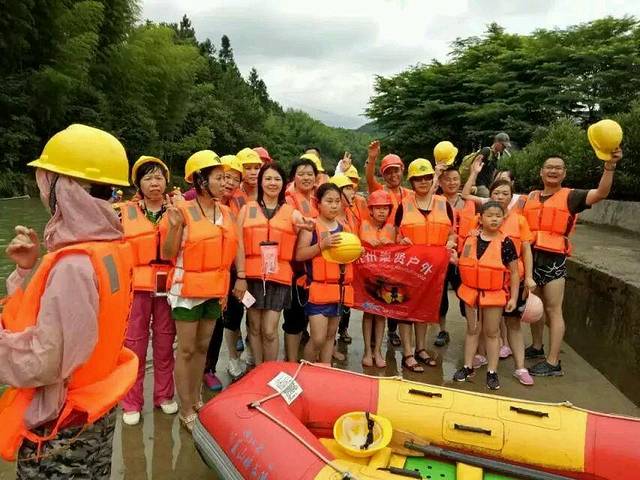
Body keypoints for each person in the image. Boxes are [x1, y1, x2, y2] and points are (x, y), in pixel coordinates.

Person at [0, 124, 135, 478]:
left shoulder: (73, 266)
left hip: (62, 427)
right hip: (96, 412)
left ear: (66, 189)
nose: (42, 189)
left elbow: (46, 361)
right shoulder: (111, 248)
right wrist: (26, 273)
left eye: (47, 181)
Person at [161, 150, 247, 431]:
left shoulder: (227, 212)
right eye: (219, 178)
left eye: (226, 178)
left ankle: (196, 398)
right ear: (200, 180)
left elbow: (235, 248)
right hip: (187, 291)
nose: (225, 183)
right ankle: (185, 407)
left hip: (215, 290)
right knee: (186, 350)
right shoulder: (182, 211)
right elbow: (168, 253)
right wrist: (174, 226)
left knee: (202, 347)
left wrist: (241, 277)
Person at [524, 150, 622, 376]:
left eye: (558, 168)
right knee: (535, 306)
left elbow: (601, 193)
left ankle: (553, 362)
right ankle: (537, 347)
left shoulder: (572, 197)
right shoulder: (530, 197)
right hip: (530, 258)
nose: (553, 171)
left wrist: (609, 167)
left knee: (553, 309)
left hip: (554, 260)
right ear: (541, 172)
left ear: (564, 173)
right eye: (549, 167)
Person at [119, 156, 178, 425]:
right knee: (134, 345)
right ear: (138, 184)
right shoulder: (122, 212)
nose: (154, 183)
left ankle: (164, 396)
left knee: (165, 343)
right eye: (148, 178)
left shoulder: (178, 210)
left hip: (168, 285)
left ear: (166, 181)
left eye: (158, 177)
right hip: (136, 287)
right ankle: (131, 402)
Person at [463, 176, 536, 385]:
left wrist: (528, 277)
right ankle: (479, 357)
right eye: (496, 193)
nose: (500, 196)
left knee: (512, 323)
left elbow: (526, 250)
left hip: (512, 279)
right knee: (481, 325)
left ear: (511, 197)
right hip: (483, 284)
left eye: (505, 193)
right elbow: (467, 253)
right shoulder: (477, 224)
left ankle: (520, 367)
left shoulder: (519, 220)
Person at [239, 163, 313, 364]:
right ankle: (258, 368)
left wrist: (307, 225)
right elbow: (238, 245)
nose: (273, 183)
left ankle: (269, 369)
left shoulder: (291, 212)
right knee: (254, 327)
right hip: (251, 278)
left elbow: (303, 222)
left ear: (283, 183)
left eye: (277, 179)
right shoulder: (246, 209)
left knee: (270, 330)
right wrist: (240, 276)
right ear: (261, 182)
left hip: (279, 279)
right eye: (268, 178)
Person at [395, 158, 456, 373]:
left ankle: (421, 349)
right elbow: (395, 235)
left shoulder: (444, 204)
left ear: (432, 179)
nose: (423, 182)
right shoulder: (403, 205)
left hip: (434, 270)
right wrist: (401, 241)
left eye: (427, 177)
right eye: (418, 178)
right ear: (411, 181)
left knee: (424, 309)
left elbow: (452, 233)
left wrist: (450, 243)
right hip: (409, 268)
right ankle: (408, 353)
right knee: (406, 310)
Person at [454, 201, 520, 390]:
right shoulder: (470, 239)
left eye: (498, 216)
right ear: (481, 219)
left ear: (503, 219)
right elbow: (464, 262)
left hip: (493, 295)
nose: (494, 219)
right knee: (472, 330)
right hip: (470, 293)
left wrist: (514, 298)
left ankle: (492, 371)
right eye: (490, 215)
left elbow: (514, 272)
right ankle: (467, 366)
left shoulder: (506, 243)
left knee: (492, 333)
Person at [202, 155, 247, 391]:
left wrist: (241, 275)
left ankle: (215, 365)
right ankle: (205, 369)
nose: (229, 182)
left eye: (235, 179)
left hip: (230, 271)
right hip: (204, 273)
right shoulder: (194, 200)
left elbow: (239, 243)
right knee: (209, 323)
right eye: (225, 177)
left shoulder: (239, 205)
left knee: (228, 318)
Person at [296, 183, 355, 364]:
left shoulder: (344, 228)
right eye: (329, 201)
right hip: (317, 291)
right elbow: (300, 255)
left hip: (338, 291)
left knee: (330, 336)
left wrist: (357, 253)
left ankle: (325, 369)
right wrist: (322, 245)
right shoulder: (311, 227)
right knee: (318, 338)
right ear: (318, 203)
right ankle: (307, 371)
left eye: (337, 201)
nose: (334, 205)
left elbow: (348, 256)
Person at [365, 140, 413, 348]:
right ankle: (374, 339)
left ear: (402, 170)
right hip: (380, 249)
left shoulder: (410, 194)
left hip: (400, 248)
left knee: (397, 292)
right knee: (379, 293)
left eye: (396, 170)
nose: (393, 175)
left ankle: (392, 331)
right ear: (383, 175)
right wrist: (372, 158)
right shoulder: (379, 190)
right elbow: (369, 178)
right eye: (388, 172)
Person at [283, 157, 319, 362]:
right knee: (294, 317)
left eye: (310, 174)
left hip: (314, 265)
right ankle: (290, 360)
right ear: (293, 178)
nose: (306, 178)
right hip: (295, 267)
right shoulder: (288, 200)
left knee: (309, 313)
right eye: (301, 174)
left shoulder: (317, 199)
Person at [434, 165, 471, 347]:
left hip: (464, 257)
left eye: (455, 179)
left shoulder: (469, 202)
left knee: (467, 295)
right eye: (447, 179)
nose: (452, 182)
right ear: (441, 182)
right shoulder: (434, 201)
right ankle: (442, 330)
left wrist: (475, 173)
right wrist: (435, 174)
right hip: (441, 256)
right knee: (440, 296)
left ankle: (472, 331)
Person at [359, 190, 397, 368]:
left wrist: (397, 244)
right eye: (378, 208)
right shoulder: (363, 225)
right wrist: (365, 244)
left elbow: (400, 251)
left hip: (385, 278)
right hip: (367, 278)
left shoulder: (392, 228)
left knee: (381, 315)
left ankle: (377, 351)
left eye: (385, 208)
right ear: (371, 210)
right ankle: (367, 350)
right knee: (368, 314)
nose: (382, 211)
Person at [459, 132, 511, 197]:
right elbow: (474, 165)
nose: (504, 147)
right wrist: (472, 184)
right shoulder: (486, 151)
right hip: (478, 185)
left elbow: (492, 172)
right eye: (503, 145)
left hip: (486, 186)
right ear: (496, 142)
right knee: (489, 198)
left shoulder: (497, 155)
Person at [231, 147, 263, 215]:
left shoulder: (268, 192)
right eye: (248, 168)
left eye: (256, 168)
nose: (253, 173)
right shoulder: (232, 193)